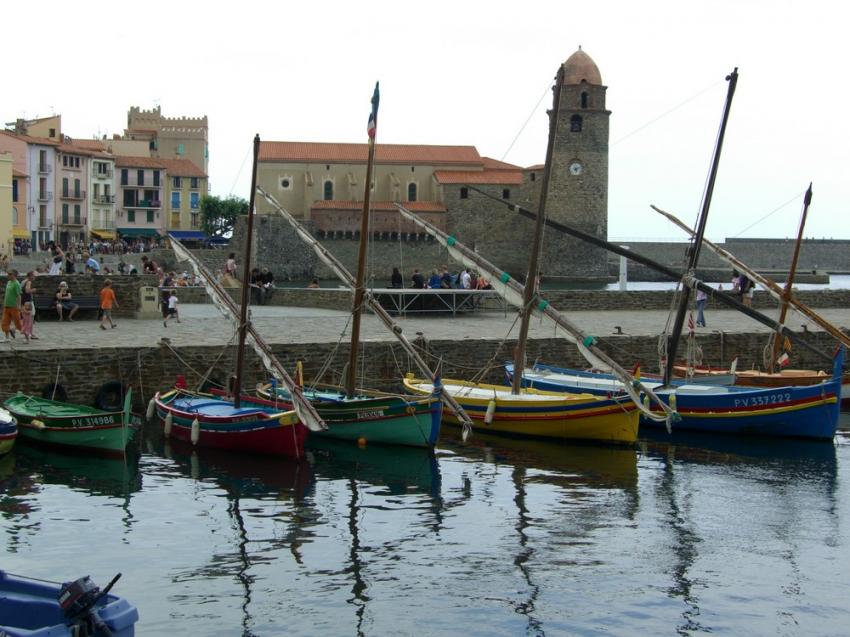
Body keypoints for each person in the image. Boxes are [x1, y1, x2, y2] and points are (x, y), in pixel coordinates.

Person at [2, 270, 22, 342]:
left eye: (10, 274)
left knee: (18, 322)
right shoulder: (9, 282)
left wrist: (19, 305)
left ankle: (27, 334)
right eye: (8, 274)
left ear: (14, 275)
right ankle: (7, 338)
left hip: (14, 306)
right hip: (7, 306)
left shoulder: (16, 284)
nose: (8, 275)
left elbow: (19, 295)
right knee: (5, 322)